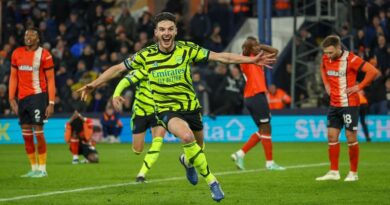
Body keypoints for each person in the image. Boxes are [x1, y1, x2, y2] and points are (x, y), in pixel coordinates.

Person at [78, 12, 275, 202]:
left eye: (170, 29)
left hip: (191, 108)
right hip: (166, 110)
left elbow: (221, 57)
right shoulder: (146, 56)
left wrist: (251, 59)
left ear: (175, 32)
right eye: (161, 29)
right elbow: (118, 69)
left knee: (198, 149)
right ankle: (213, 182)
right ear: (155, 33)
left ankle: (187, 161)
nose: (166, 33)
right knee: (186, 137)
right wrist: (94, 84)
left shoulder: (186, 49)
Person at [316, 35, 378, 182]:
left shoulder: (351, 59)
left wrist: (359, 86)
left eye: (331, 52)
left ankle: (353, 173)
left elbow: (372, 71)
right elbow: (322, 67)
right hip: (334, 104)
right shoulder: (326, 58)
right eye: (326, 53)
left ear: (338, 48)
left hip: (349, 104)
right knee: (331, 137)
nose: (328, 56)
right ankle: (333, 172)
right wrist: (326, 85)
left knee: (351, 138)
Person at [231, 37, 285, 171]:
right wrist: (249, 47)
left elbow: (275, 51)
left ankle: (240, 154)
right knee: (266, 128)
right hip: (255, 96)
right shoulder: (245, 59)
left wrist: (260, 46)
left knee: (263, 130)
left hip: (255, 96)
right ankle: (270, 163)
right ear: (248, 48)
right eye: (253, 47)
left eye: (257, 46)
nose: (257, 48)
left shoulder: (258, 58)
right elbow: (243, 53)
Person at [8, 27, 55, 178]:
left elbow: (51, 80)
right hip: (22, 98)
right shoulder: (17, 53)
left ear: (38, 39)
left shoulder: (45, 55)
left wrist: (51, 102)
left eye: (32, 35)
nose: (28, 37)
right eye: (26, 34)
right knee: (26, 134)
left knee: (39, 132)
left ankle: (43, 168)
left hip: (38, 96)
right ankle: (33, 168)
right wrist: (11, 98)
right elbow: (13, 77)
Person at [112, 70, 166, 183]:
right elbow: (125, 81)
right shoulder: (142, 69)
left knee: (157, 142)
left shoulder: (167, 70)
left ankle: (141, 174)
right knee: (137, 150)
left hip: (158, 112)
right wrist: (116, 94)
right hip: (140, 113)